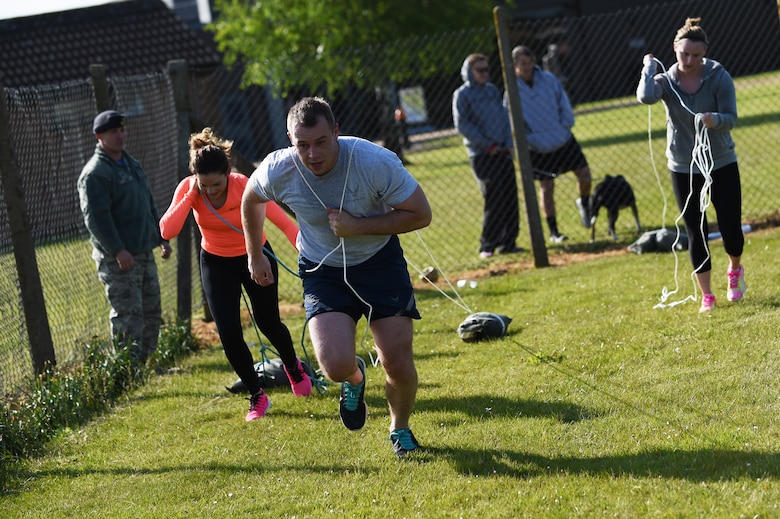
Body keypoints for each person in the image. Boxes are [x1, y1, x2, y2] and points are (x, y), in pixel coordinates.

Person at [241, 96, 432, 457]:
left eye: (321, 142)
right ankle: (355, 378)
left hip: (379, 263)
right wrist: (254, 254)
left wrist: (359, 226)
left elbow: (420, 214)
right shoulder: (278, 168)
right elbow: (251, 200)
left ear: (336, 133)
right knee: (333, 365)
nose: (312, 154)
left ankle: (400, 429)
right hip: (322, 269)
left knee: (398, 362)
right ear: (289, 138)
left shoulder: (374, 161)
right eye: (302, 144)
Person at [159, 128, 311, 421]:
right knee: (228, 332)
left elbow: (284, 222)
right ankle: (257, 395)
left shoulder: (244, 185)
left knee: (268, 322)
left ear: (228, 172)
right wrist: (191, 195)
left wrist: (307, 253)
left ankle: (293, 366)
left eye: (216, 184)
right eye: (205, 185)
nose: (211, 191)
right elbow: (167, 229)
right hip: (216, 262)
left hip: (256, 256)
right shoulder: (190, 189)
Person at [637, 17, 746, 313]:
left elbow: (732, 118)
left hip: (721, 161)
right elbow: (646, 96)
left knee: (729, 227)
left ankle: (734, 269)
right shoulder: (665, 81)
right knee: (695, 230)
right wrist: (648, 67)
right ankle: (707, 295)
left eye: (696, 55)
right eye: (684, 53)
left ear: (705, 52)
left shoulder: (719, 76)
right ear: (675, 48)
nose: (689, 60)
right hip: (683, 165)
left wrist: (716, 120)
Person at [77, 110, 172, 364]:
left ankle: (147, 363)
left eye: (122, 130)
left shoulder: (131, 164)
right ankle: (128, 370)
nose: (120, 135)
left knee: (151, 311)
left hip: (143, 252)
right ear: (99, 137)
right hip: (119, 259)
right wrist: (117, 250)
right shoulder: (95, 173)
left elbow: (148, 203)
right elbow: (96, 218)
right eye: (113, 132)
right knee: (129, 315)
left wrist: (161, 236)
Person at [510, 45, 592, 243]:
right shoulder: (511, 90)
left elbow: (563, 102)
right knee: (546, 188)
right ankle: (554, 232)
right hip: (537, 147)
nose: (527, 67)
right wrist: (529, 140)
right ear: (514, 66)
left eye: (530, 63)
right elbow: (512, 120)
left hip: (562, 139)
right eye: (522, 64)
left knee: (585, 174)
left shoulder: (549, 80)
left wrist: (565, 126)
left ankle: (584, 203)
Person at [452, 53, 522, 259]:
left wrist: (508, 144)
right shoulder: (462, 95)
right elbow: (462, 125)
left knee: (510, 196)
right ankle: (487, 245)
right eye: (479, 70)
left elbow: (503, 117)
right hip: (482, 154)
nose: (484, 73)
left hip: (502, 152)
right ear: (469, 72)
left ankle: (508, 243)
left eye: (486, 69)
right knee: (494, 197)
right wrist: (486, 144)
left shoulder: (492, 91)